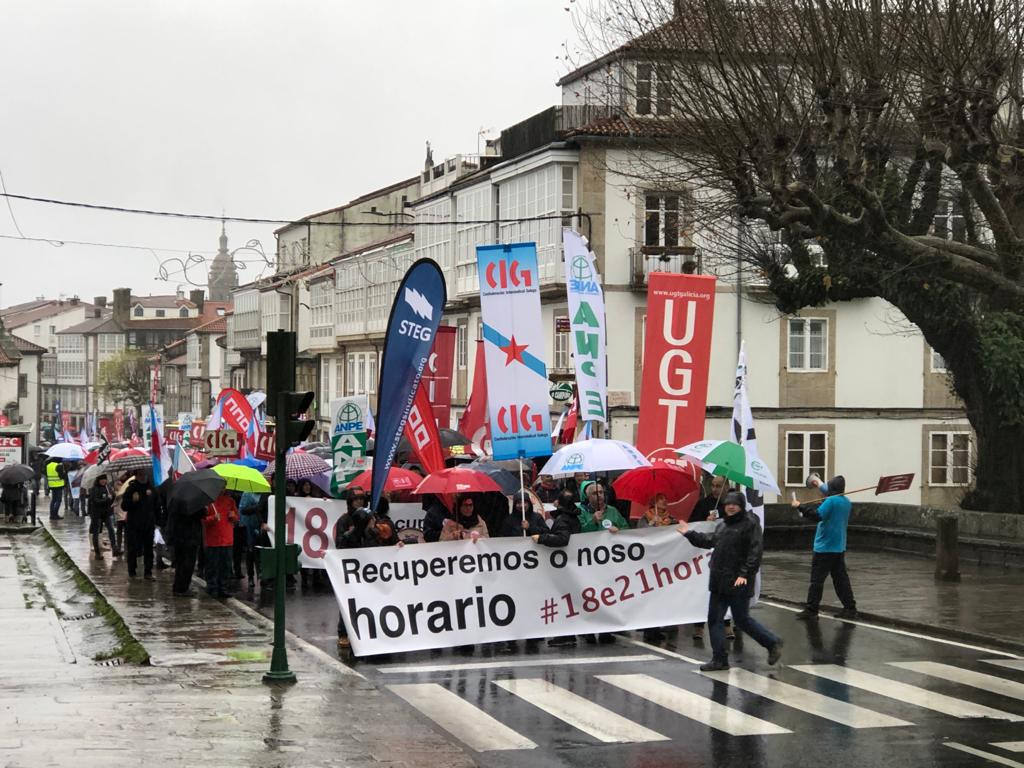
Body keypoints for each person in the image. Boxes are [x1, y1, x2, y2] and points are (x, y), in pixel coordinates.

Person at [678, 491, 783, 671]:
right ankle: (720, 659)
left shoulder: (750, 524)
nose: (731, 506)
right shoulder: (723, 525)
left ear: (741, 506)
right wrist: (689, 533)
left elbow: (755, 553)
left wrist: (743, 575)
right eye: (728, 504)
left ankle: (772, 642)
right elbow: (709, 540)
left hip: (738, 581)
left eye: (735, 504)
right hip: (719, 581)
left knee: (741, 620)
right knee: (715, 619)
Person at [792, 475, 857, 620]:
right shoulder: (846, 502)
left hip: (824, 548)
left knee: (816, 581)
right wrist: (817, 483)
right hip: (838, 547)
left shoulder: (831, 501)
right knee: (841, 580)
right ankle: (850, 608)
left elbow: (817, 515)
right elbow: (828, 492)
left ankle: (812, 610)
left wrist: (800, 506)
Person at [533, 490, 582, 648]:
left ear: (559, 503)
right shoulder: (574, 517)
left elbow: (563, 539)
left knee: (562, 598)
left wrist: (542, 538)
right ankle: (569, 633)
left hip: (563, 566)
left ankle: (565, 634)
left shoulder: (562, 519)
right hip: (572, 564)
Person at [687, 475, 731, 640]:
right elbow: (692, 524)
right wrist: (705, 521)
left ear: (726, 487)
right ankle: (698, 626)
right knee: (703, 590)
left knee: (725, 591)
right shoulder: (703, 503)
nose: (714, 489)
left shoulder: (731, 504)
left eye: (718, 486)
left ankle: (727, 624)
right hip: (704, 554)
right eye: (712, 485)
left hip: (724, 553)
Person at [121, 469, 158, 580]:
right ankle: (132, 571)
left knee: (148, 549)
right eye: (140, 475)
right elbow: (124, 506)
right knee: (133, 548)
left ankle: (148, 572)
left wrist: (151, 496)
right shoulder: (131, 489)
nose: (143, 477)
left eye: (144, 474)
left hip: (148, 523)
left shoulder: (151, 488)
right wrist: (133, 501)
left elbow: (156, 504)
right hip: (134, 524)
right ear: (136, 476)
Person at [202, 490, 238, 599]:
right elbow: (203, 520)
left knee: (225, 566)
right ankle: (211, 587)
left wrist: (233, 516)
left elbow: (236, 517)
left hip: (227, 539)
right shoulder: (209, 502)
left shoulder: (230, 500)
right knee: (212, 565)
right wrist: (213, 518)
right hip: (213, 540)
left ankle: (223, 588)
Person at [87, 474, 116, 557]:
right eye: (102, 480)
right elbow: (95, 501)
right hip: (97, 513)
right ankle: (97, 552)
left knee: (111, 529)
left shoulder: (108, 488)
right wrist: (106, 499)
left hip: (106, 513)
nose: (104, 481)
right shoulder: (94, 489)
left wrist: (113, 495)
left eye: (105, 479)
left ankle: (114, 548)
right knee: (96, 532)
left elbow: (111, 501)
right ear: (98, 480)